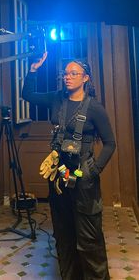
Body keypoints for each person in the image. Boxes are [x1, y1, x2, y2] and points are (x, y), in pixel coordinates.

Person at [22, 52, 116, 280]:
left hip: (83, 178)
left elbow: (110, 143)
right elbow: (28, 95)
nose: (68, 77)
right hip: (58, 176)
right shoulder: (57, 99)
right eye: (65, 74)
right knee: (63, 234)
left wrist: (94, 170)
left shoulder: (95, 109)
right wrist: (33, 69)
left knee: (88, 237)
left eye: (74, 74)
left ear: (85, 78)